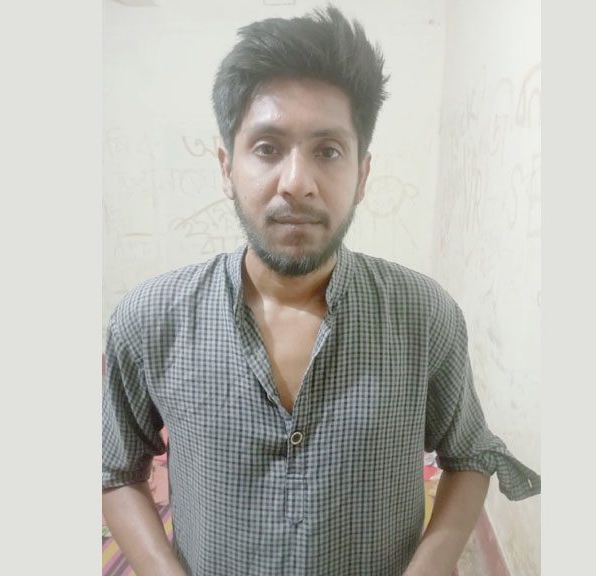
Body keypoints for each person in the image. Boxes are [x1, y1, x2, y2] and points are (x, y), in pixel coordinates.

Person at [101, 6, 540, 575]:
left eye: (328, 151)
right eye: (267, 148)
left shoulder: (424, 315)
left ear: (362, 175)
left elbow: (469, 456)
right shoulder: (149, 319)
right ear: (226, 167)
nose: (297, 182)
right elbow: (115, 472)